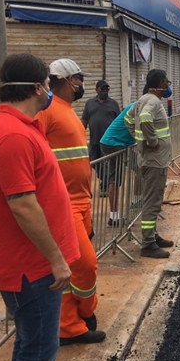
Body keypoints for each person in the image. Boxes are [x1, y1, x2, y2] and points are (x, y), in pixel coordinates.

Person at [0, 52, 78, 361]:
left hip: (35, 265)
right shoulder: (14, 136)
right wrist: (57, 259)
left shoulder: (24, 126)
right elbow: (22, 204)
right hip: (31, 269)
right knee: (36, 351)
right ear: (38, 87)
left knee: (36, 348)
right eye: (47, 84)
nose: (50, 91)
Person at [36, 58, 105, 345]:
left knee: (73, 266)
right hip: (64, 206)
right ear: (64, 80)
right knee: (85, 265)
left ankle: (68, 324)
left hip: (81, 202)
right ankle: (86, 312)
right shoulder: (47, 111)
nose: (81, 85)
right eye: (78, 79)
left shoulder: (67, 111)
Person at [124, 69, 175, 258]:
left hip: (150, 159)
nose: (168, 85)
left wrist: (139, 140)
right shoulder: (153, 102)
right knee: (152, 202)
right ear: (161, 83)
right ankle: (148, 244)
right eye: (167, 82)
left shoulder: (142, 99)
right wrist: (151, 141)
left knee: (154, 199)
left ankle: (153, 235)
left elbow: (128, 119)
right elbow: (145, 118)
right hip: (154, 161)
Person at [99, 100, 136, 228]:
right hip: (114, 144)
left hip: (113, 142)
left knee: (137, 168)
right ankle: (115, 216)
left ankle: (114, 217)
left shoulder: (137, 106)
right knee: (139, 167)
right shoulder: (137, 108)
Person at [81, 80, 121, 195]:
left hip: (107, 141)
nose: (104, 91)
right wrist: (79, 133)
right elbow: (84, 120)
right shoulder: (90, 103)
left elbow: (119, 121)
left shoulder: (113, 104)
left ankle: (105, 186)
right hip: (94, 140)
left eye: (106, 89)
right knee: (94, 162)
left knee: (104, 163)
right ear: (96, 90)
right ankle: (105, 180)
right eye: (102, 89)